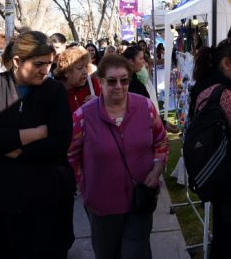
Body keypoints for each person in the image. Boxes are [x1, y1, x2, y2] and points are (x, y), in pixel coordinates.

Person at [0, 30, 76, 258]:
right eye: (38, 64)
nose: (45, 70)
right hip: (0, 208)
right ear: (17, 61)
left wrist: (8, 147)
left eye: (49, 63)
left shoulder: (54, 91)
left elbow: (59, 143)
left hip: (47, 206)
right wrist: (34, 133)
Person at [68, 54, 169, 259]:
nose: (119, 86)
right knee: (108, 253)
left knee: (136, 252)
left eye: (124, 80)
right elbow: (71, 155)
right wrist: (84, 186)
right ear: (100, 81)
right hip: (102, 204)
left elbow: (161, 141)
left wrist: (157, 169)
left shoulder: (146, 107)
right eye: (112, 81)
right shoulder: (82, 116)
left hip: (141, 198)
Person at [190, 38, 231, 258]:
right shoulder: (226, 94)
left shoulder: (205, 86)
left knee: (224, 240)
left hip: (217, 178)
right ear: (227, 64)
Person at [124, 46, 179, 134]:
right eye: (140, 58)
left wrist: (162, 123)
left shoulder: (137, 80)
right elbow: (144, 110)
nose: (143, 62)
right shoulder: (132, 84)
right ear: (131, 61)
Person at [54, 47, 101, 113]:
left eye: (86, 67)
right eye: (80, 68)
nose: (85, 71)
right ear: (66, 72)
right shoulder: (55, 92)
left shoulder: (93, 84)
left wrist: (99, 103)